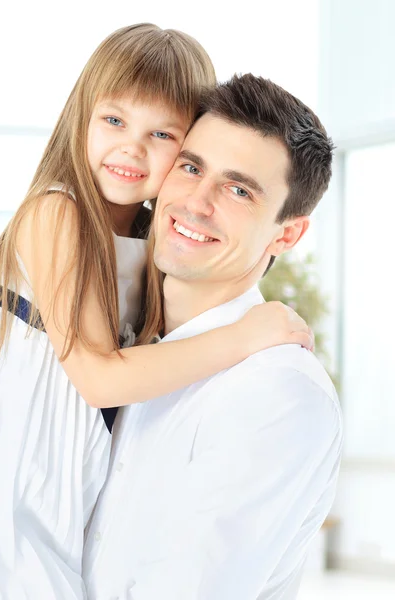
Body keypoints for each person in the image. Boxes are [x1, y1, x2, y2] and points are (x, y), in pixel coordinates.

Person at [0, 25, 312, 599]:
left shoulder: (154, 246)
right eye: (114, 120)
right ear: (83, 116)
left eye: (161, 133)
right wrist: (245, 337)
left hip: (60, 480)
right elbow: (99, 378)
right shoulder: (57, 212)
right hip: (3, 466)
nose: (132, 148)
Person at [82, 74, 343, 600]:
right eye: (191, 167)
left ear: (286, 233)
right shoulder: (127, 353)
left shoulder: (277, 392)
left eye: (239, 189)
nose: (196, 202)